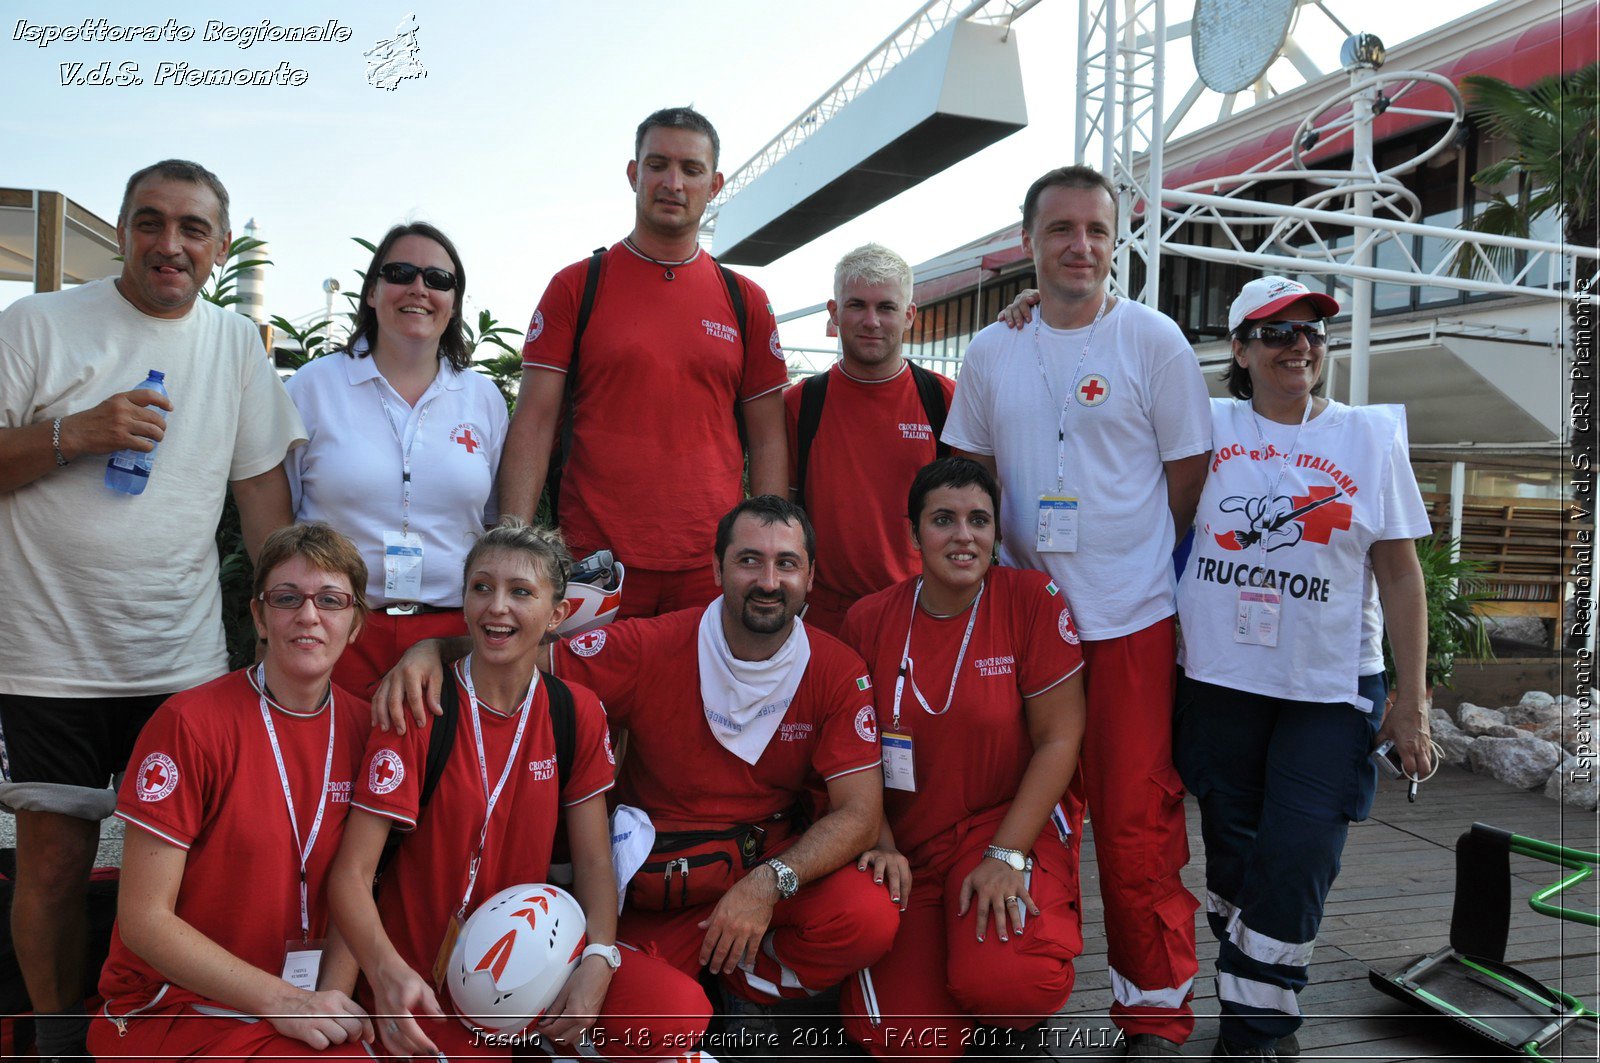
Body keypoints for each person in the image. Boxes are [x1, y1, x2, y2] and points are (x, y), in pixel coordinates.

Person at [0, 159, 305, 1061]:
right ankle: (60, 1042)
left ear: (219, 244)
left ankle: (161, 1030)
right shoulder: (37, 323)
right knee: (52, 865)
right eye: (150, 221)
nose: (169, 244)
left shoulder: (236, 346)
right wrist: (74, 433)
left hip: (178, 662)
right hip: (45, 653)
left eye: (192, 228)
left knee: (184, 875)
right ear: (126, 228)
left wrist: (284, 627)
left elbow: (263, 504)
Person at [376, 497, 899, 1010]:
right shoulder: (654, 643)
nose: (767, 581)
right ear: (716, 569)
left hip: (768, 872)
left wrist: (766, 885)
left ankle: (739, 984)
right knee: (665, 1013)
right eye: (748, 560)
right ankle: (688, 987)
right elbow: (520, 652)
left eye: (786, 563)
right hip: (665, 887)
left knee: (867, 915)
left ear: (811, 576)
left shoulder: (835, 667)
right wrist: (434, 649)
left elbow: (859, 812)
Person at [948, 165, 1210, 1057]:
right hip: (1025, 625)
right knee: (1023, 811)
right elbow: (969, 479)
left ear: (1117, 240)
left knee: (1138, 826)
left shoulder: (1154, 340)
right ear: (1029, 242)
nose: (1080, 246)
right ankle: (1018, 984)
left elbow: (1187, 477)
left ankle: (1154, 1016)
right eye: (1060, 229)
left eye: (1097, 230)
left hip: (1131, 620)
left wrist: (1127, 555)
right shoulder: (991, 349)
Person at [327, 519, 710, 1060]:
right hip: (420, 983)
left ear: (557, 615)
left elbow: (595, 864)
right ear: (462, 601)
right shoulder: (419, 708)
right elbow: (350, 875)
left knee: (677, 1012)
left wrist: (600, 957)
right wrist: (386, 977)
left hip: (538, 969)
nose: (497, 606)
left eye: (521, 592)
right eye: (481, 587)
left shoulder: (573, 710)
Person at [1173, 277, 1432, 1061]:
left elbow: (1401, 574)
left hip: (1330, 683)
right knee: (1233, 853)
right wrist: (1032, 312)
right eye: (1277, 331)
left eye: (1313, 332)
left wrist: (1411, 700)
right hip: (1221, 677)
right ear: (1240, 351)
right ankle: (1261, 1008)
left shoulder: (1368, 436)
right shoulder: (1201, 426)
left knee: (1300, 852)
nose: (1300, 346)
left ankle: (1255, 1031)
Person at [87, 522, 375, 1060]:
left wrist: (329, 1001)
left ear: (355, 624)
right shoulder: (189, 723)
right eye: (287, 598)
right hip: (174, 1003)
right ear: (260, 618)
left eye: (331, 600)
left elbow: (358, 886)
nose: (308, 615)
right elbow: (144, 919)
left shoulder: (366, 730)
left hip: (299, 1002)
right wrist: (286, 1002)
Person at [837, 457, 1088, 1059]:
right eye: (943, 519)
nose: (964, 535)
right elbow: (847, 754)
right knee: (907, 1041)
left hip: (1003, 829)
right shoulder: (868, 620)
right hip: (905, 845)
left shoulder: (1031, 600)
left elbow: (1060, 739)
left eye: (979, 520)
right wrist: (880, 837)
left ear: (998, 533)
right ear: (913, 533)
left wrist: (1007, 853)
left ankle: (990, 985)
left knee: (1010, 987)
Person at [501, 107, 790, 619]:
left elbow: (768, 437)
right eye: (657, 165)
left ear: (715, 183)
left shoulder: (745, 300)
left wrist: (767, 552)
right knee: (589, 701)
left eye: (691, 169)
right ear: (634, 173)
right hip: (595, 566)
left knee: (702, 701)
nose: (673, 182)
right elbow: (535, 419)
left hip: (712, 568)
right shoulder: (576, 286)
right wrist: (513, 545)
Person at [285, 222, 508, 697]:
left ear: (454, 303)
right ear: (371, 292)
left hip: (452, 634)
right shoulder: (312, 386)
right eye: (401, 272)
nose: (419, 289)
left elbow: (492, 523)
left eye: (438, 279)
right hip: (335, 625)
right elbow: (281, 511)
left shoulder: (483, 398)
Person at [785, 244, 955, 635]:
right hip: (825, 616)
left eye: (887, 308)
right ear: (834, 313)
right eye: (857, 305)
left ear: (909, 315)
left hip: (920, 609)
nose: (872, 321)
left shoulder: (945, 400)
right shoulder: (799, 404)